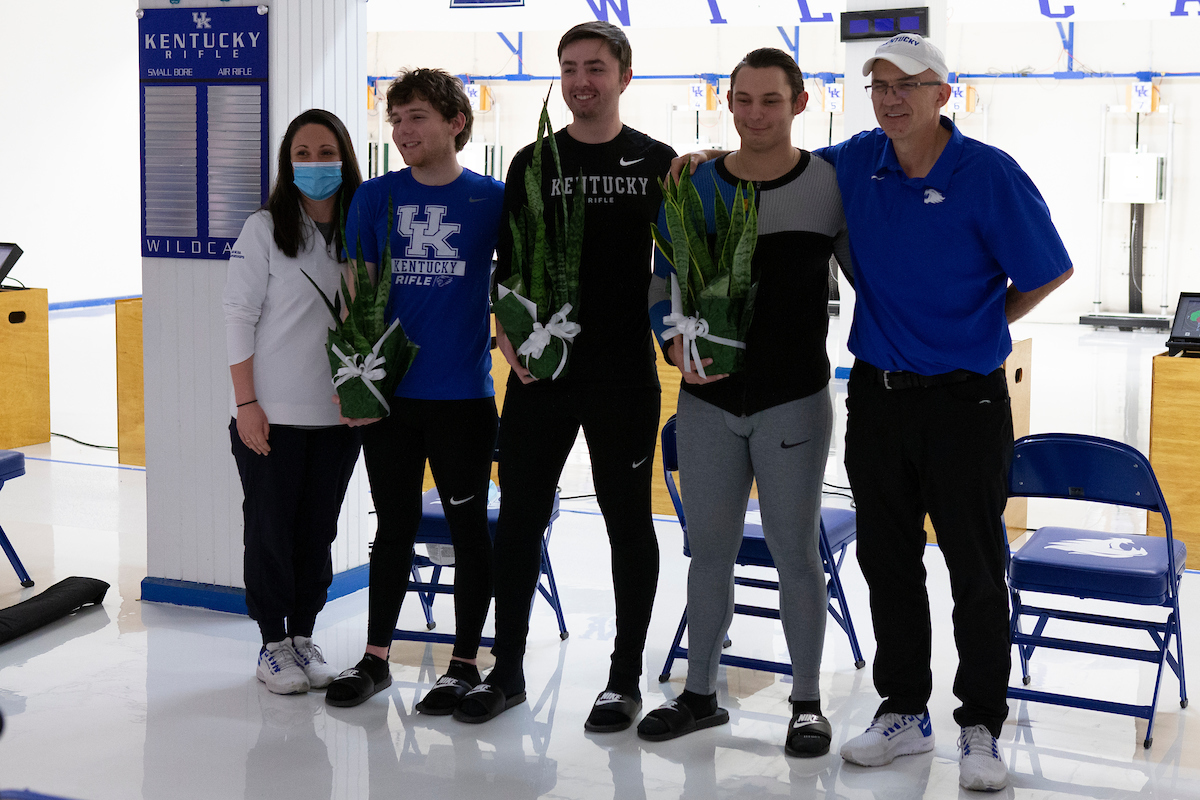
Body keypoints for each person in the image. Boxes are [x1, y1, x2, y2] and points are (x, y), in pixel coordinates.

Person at [675, 33, 1072, 789]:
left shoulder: (988, 174)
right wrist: (702, 161)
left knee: (976, 568)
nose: (891, 99)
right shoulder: (856, 161)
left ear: (942, 95)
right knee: (887, 562)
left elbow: (1049, 271)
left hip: (966, 399)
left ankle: (982, 724)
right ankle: (903, 710)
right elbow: (771, 152)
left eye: (907, 86)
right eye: (879, 86)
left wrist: (984, 327)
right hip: (880, 397)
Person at [452, 21, 676, 731]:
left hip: (622, 374)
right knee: (517, 521)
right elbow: (508, 266)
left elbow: (680, 266)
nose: (583, 80)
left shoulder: (655, 160)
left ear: (624, 77)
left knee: (626, 523)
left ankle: (623, 679)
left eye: (597, 68)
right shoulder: (531, 161)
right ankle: (507, 671)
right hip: (542, 376)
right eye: (571, 68)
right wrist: (506, 334)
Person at [638, 48, 850, 757]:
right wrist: (671, 343)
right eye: (742, 99)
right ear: (726, 103)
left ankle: (807, 703)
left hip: (794, 401)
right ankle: (700, 694)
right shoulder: (695, 185)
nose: (755, 113)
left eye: (770, 100)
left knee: (795, 552)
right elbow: (662, 280)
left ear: (799, 103)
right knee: (709, 552)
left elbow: (870, 274)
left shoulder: (829, 184)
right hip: (707, 403)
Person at [324, 69, 504, 711]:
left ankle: (463, 662)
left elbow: (512, 295)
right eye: (395, 119)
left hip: (462, 397)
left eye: (417, 117)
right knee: (393, 525)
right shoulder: (373, 199)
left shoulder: (492, 199)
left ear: (456, 122)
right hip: (391, 399)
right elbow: (356, 296)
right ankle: (376, 658)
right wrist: (352, 382)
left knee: (466, 527)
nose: (402, 131)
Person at [223, 109, 365, 695]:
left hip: (339, 414)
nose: (314, 164)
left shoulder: (360, 224)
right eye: (301, 154)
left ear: (346, 157)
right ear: (287, 163)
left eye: (325, 152)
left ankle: (304, 636)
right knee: (270, 531)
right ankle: (271, 645)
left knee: (317, 531)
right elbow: (238, 316)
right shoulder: (265, 229)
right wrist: (246, 403)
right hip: (272, 416)